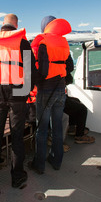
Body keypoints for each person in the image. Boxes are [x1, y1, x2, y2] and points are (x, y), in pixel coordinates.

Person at [0, 13, 38, 188]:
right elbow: (31, 72)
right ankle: (17, 176)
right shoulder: (22, 42)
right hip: (17, 95)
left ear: (3, 24)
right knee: (17, 136)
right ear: (16, 24)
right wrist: (26, 92)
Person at [29, 16, 71, 174]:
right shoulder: (64, 43)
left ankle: (39, 165)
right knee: (57, 127)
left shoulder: (43, 42)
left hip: (46, 91)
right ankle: (56, 160)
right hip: (61, 89)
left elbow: (44, 71)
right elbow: (70, 66)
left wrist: (36, 83)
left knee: (42, 129)